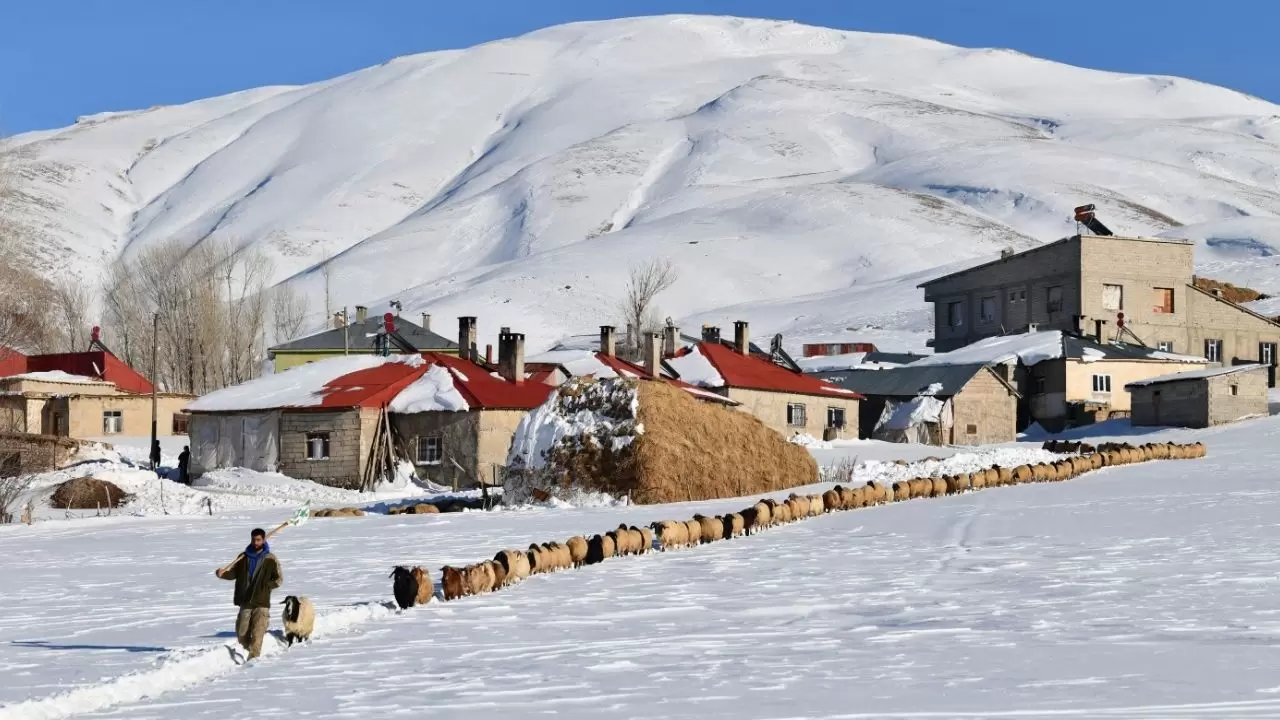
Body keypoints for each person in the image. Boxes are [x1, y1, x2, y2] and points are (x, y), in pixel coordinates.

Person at [215, 528, 282, 660]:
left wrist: (265, 586)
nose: (255, 542)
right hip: (245, 600)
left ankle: (253, 660)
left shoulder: (271, 558)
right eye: (253, 540)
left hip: (262, 602)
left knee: (258, 633)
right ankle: (247, 650)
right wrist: (222, 574)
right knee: (241, 632)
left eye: (258, 540)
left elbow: (278, 580)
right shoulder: (243, 556)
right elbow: (233, 574)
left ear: (263, 540)